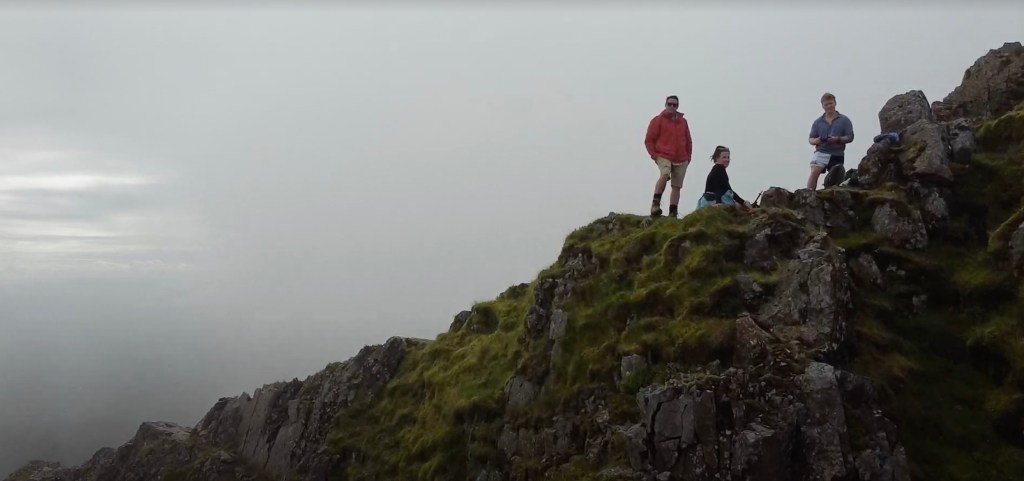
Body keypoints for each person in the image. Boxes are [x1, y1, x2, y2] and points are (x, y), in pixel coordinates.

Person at [644, 95, 693, 218]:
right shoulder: (657, 120)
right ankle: (655, 204)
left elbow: (688, 140)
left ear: (677, 106)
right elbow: (649, 140)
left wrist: (688, 157)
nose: (671, 106)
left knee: (677, 186)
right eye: (669, 104)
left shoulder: (683, 122)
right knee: (665, 174)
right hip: (663, 154)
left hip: (681, 157)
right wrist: (654, 155)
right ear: (665, 105)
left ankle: (673, 212)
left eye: (674, 104)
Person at [806, 92, 855, 190]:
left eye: (831, 103)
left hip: (837, 153)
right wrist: (815, 141)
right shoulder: (818, 122)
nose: (829, 106)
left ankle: (830, 192)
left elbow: (850, 137)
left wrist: (838, 139)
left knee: (837, 176)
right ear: (822, 106)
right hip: (821, 151)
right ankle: (809, 193)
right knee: (814, 171)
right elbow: (810, 139)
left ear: (835, 103)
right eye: (826, 104)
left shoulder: (845, 120)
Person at [697, 145, 753, 212]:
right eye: (724, 157)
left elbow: (728, 189)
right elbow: (718, 187)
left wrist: (743, 202)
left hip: (705, 200)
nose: (727, 160)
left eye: (728, 157)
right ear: (717, 158)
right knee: (739, 207)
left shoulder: (716, 169)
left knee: (739, 204)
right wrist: (718, 203)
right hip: (712, 200)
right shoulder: (720, 168)